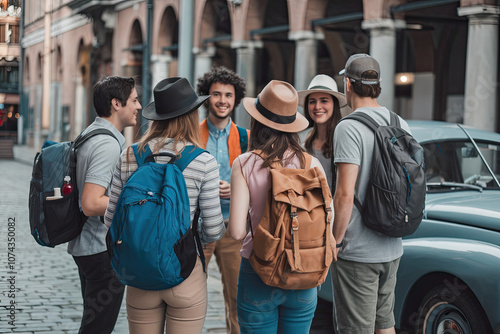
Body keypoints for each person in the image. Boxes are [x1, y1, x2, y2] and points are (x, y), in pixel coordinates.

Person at [104, 77, 225, 334]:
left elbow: (110, 219)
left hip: (139, 273)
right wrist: (191, 237)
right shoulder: (204, 162)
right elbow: (213, 229)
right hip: (185, 271)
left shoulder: (129, 155)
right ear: (191, 117)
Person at [228, 80, 328, 333]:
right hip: (304, 272)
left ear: (257, 122)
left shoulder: (245, 163)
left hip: (258, 269)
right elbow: (329, 220)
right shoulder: (313, 164)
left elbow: (237, 232)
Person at [332, 53, 411, 334]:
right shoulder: (399, 122)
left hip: (357, 251)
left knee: (355, 328)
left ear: (348, 85)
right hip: (392, 246)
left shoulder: (348, 127)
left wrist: (336, 241)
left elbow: (344, 193)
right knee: (385, 324)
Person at [67, 76, 141, 334]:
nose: (139, 106)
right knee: (97, 327)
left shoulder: (91, 133)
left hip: (89, 247)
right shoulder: (107, 144)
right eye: (134, 100)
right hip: (101, 251)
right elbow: (91, 203)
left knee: (94, 324)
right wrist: (133, 201)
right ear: (116, 104)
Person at [196, 66, 248, 334]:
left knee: (237, 300)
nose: (222, 100)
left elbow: (256, 183)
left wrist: (237, 189)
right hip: (197, 229)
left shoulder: (245, 137)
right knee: (190, 299)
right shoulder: (193, 135)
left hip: (233, 229)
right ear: (206, 97)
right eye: (216, 94)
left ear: (235, 99)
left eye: (228, 95)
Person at [298, 74, 348, 192]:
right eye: (312, 101)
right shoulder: (300, 139)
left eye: (324, 101)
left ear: (334, 104)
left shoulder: (344, 139)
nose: (317, 106)